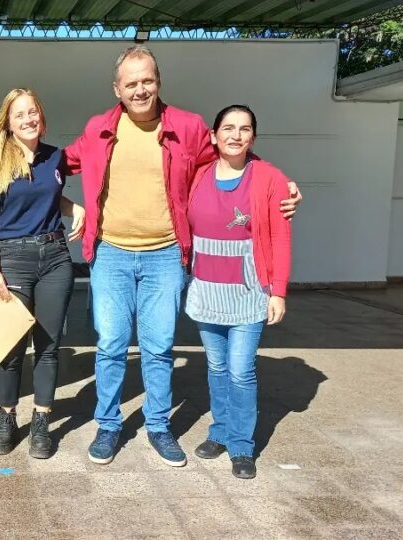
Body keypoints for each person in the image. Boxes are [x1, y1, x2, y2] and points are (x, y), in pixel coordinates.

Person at [63, 45, 302, 466]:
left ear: (159, 82)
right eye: (131, 83)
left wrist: (277, 183)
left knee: (158, 347)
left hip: (165, 255)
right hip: (111, 253)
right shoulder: (98, 128)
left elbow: (232, 154)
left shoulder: (188, 126)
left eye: (147, 81)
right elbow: (57, 165)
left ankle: (158, 426)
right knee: (111, 345)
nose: (140, 90)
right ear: (116, 88)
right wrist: (66, 202)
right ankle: (109, 425)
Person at [0, 88, 85, 459]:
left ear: (42, 116)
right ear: (8, 122)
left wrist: (76, 208)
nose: (28, 119)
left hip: (55, 257)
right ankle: (6, 418)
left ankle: (41, 421)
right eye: (19, 114)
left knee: (48, 347)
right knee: (10, 347)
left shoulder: (55, 157)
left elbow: (48, 198)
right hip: (13, 258)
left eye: (32, 112)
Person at [186, 105, 292, 480]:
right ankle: (220, 431)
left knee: (240, 370)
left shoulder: (269, 177)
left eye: (244, 129)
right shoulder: (197, 174)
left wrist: (278, 291)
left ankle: (242, 445)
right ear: (213, 136)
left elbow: (280, 237)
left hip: (249, 292)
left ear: (253, 137)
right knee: (217, 367)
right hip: (206, 290)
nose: (236, 135)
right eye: (228, 128)